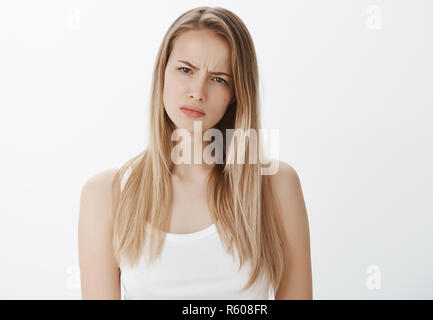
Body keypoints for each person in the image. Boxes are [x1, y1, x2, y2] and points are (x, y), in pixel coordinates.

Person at [78, 6, 312, 300]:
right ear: (162, 73)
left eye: (219, 79)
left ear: (236, 94)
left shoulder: (276, 185)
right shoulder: (106, 194)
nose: (197, 91)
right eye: (185, 70)